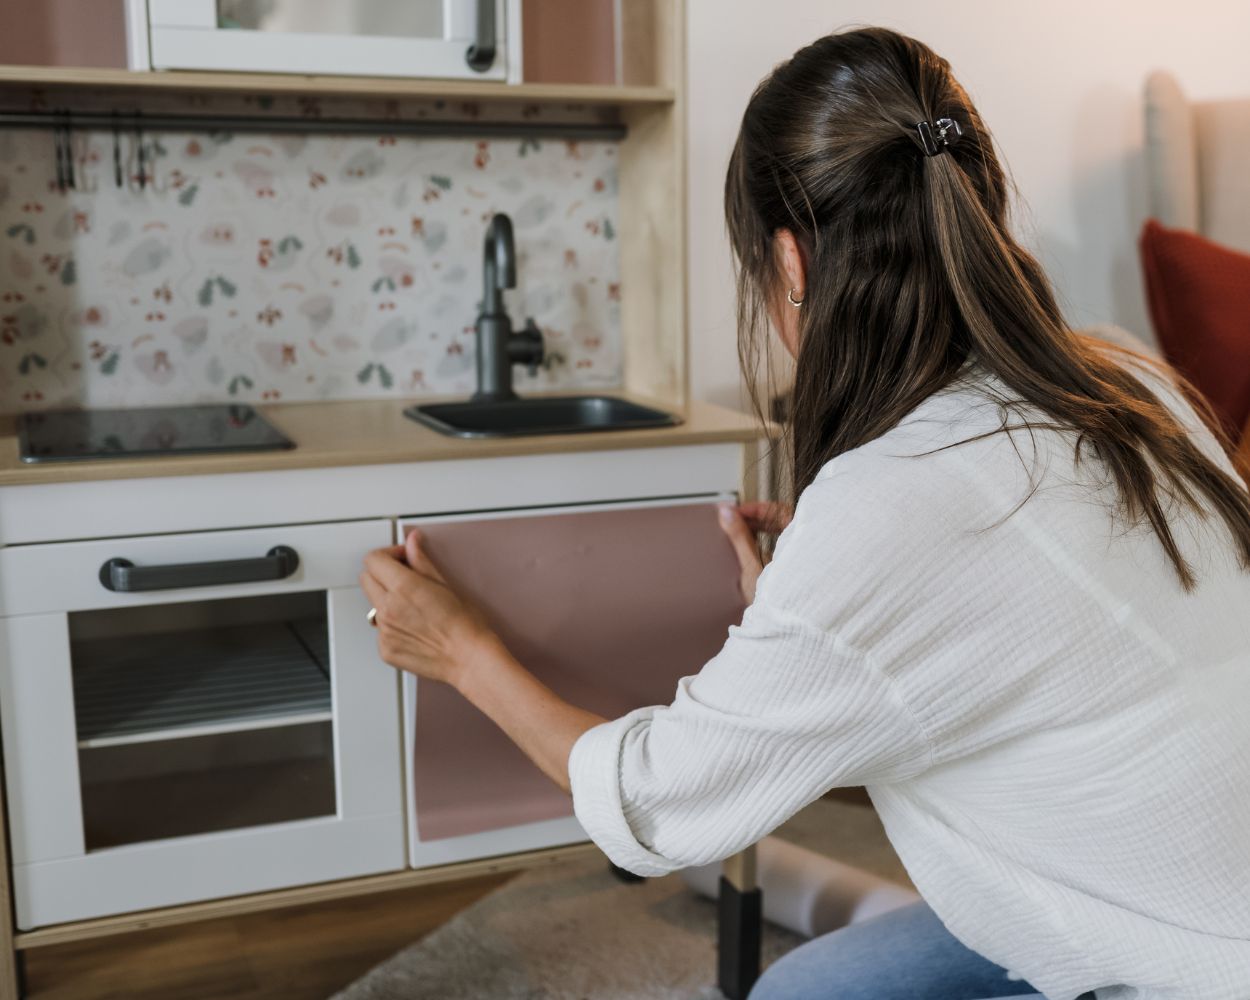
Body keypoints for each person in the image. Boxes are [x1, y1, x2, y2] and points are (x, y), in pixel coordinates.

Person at [357, 27, 1250, 1000]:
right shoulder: (1125, 376)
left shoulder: (887, 504)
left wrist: (460, 651)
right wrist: (822, 627)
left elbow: (658, 804)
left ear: (787, 263)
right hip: (1162, 886)